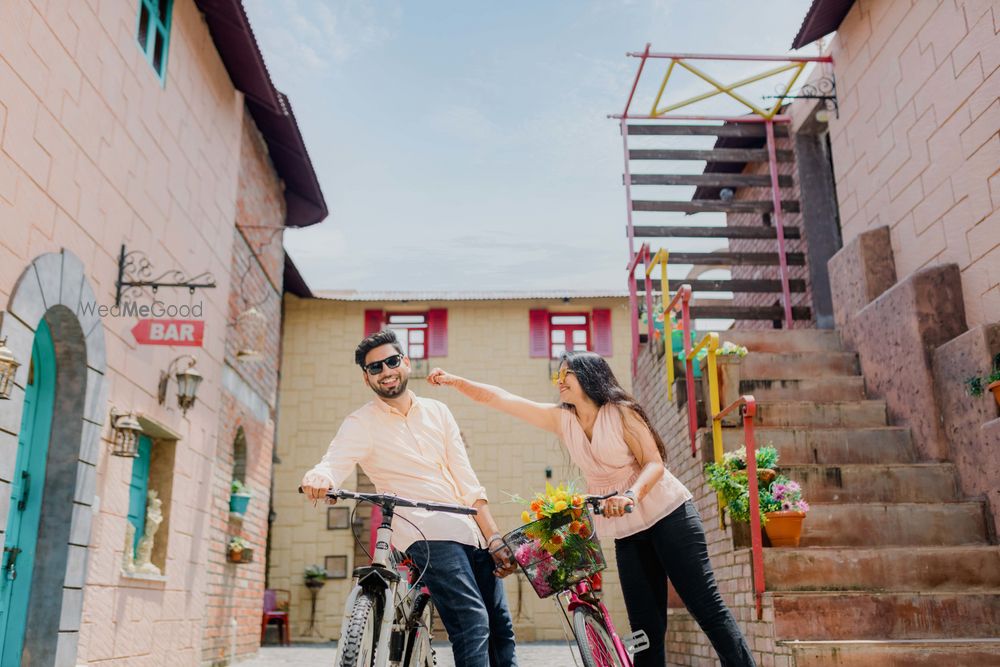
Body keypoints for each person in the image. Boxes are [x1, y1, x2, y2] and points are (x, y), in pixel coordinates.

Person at [427, 352, 756, 667]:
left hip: (669, 515)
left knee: (706, 607)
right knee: (645, 630)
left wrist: (631, 495)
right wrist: (457, 382)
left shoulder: (622, 412)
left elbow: (654, 462)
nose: (559, 380)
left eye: (565, 372)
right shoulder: (563, 419)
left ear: (589, 375)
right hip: (628, 532)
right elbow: (502, 399)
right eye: (557, 374)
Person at [301, 330, 518, 667]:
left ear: (406, 361)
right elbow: (334, 460)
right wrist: (320, 477)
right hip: (424, 531)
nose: (386, 371)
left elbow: (467, 479)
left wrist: (493, 536)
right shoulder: (361, 422)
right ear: (366, 377)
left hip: (469, 530)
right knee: (472, 622)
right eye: (376, 368)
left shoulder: (438, 411)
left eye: (392, 361)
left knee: (501, 628)